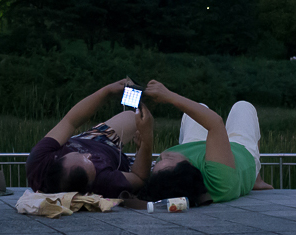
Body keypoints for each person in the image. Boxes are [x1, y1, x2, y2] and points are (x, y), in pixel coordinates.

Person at [140, 80, 273, 205]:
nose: (163, 155)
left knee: (200, 108)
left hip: (196, 147)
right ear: (189, 168)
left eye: (158, 162)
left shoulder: (169, 180)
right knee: (243, 107)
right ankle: (256, 179)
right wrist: (168, 96)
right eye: (168, 159)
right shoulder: (220, 180)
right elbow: (215, 123)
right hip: (238, 151)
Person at [26, 79, 154, 198]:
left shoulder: (38, 161)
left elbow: (71, 121)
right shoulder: (103, 183)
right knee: (141, 123)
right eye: (91, 163)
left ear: (58, 160)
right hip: (116, 159)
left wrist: (106, 92)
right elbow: (139, 178)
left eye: (82, 156)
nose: (89, 155)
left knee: (130, 117)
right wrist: (146, 141)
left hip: (91, 139)